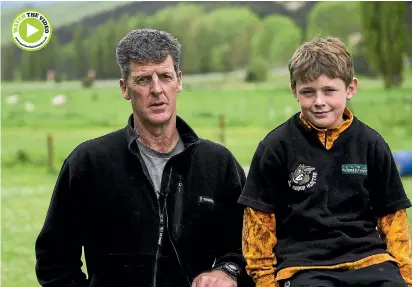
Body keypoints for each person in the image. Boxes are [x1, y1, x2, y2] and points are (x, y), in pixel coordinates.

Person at [35, 28, 254, 287]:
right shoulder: (89, 163)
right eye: (143, 80)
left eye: (165, 76)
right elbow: (54, 263)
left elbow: (247, 249)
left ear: (179, 81)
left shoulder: (218, 164)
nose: (157, 89)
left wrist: (227, 272)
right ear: (124, 87)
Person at [237, 36, 412, 287]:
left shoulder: (372, 144)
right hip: (303, 267)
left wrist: (405, 278)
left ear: (350, 88)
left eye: (329, 90)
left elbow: (392, 216)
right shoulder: (275, 147)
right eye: (308, 92)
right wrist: (265, 281)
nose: (319, 101)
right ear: (294, 91)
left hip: (369, 261)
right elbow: (259, 219)